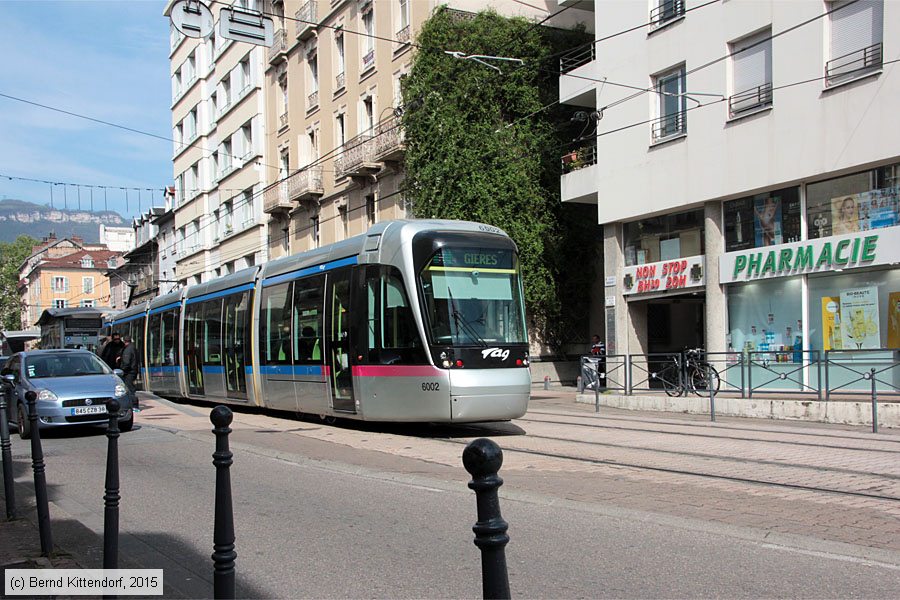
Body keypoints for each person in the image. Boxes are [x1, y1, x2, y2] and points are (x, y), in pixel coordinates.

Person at [119, 335, 139, 408]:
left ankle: (134, 405)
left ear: (124, 341)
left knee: (130, 389)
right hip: (133, 371)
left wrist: (122, 370)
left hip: (129, 372)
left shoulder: (128, 349)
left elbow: (127, 362)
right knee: (130, 388)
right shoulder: (133, 348)